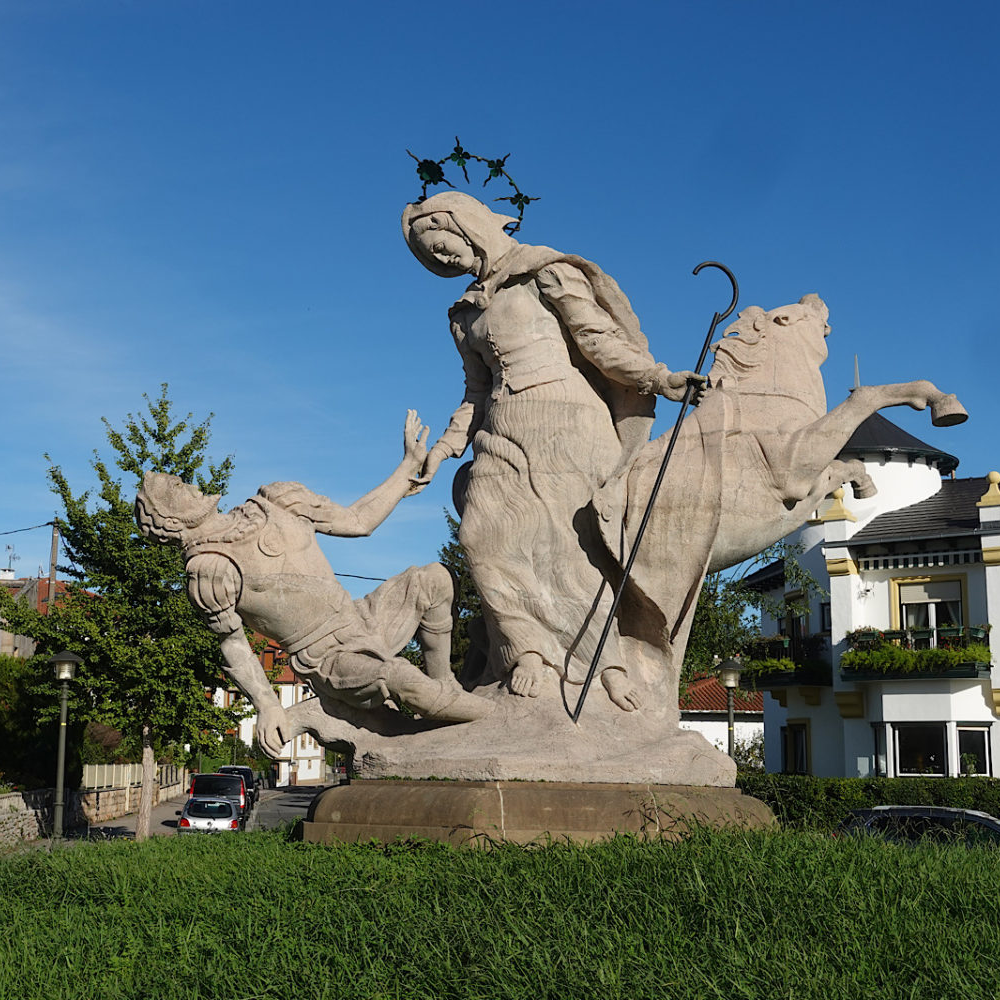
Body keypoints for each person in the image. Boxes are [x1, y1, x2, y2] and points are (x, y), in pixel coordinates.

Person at [403, 192, 699, 711]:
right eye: (430, 256)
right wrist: (447, 447)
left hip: (568, 421)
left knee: (570, 548)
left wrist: (661, 378)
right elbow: (475, 392)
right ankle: (528, 650)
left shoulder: (546, 272)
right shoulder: (462, 314)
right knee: (481, 536)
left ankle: (605, 663)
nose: (442, 258)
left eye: (443, 243)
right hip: (501, 428)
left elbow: (598, 341)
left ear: (468, 226)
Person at [135, 410, 490, 753]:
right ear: (169, 522)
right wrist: (267, 704)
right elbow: (234, 645)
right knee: (400, 677)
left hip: (360, 618)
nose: (186, 483)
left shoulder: (275, 500)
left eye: (177, 480)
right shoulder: (209, 571)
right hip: (329, 658)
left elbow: (357, 521)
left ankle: (446, 686)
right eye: (174, 489)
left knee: (436, 579)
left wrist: (407, 467)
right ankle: (497, 717)